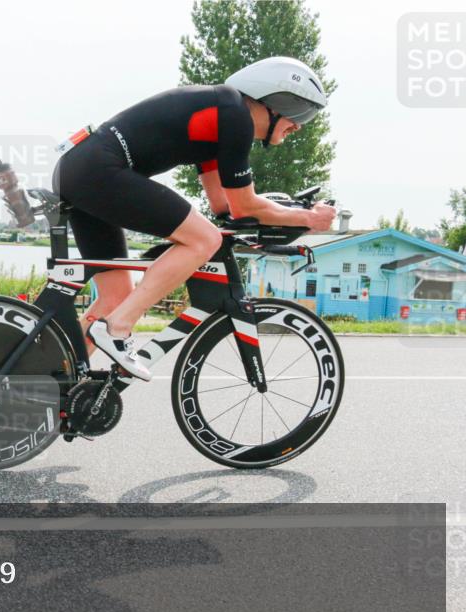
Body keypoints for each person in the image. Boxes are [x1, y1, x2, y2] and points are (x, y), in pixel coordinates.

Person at [52, 56, 337, 381]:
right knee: (203, 239)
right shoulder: (235, 115)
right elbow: (244, 206)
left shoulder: (222, 118)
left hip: (83, 170)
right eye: (300, 112)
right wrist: (308, 218)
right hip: (97, 171)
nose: (299, 125)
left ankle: (51, 383)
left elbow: (226, 209)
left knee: (116, 295)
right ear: (275, 100)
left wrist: (278, 220)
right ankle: (118, 328)